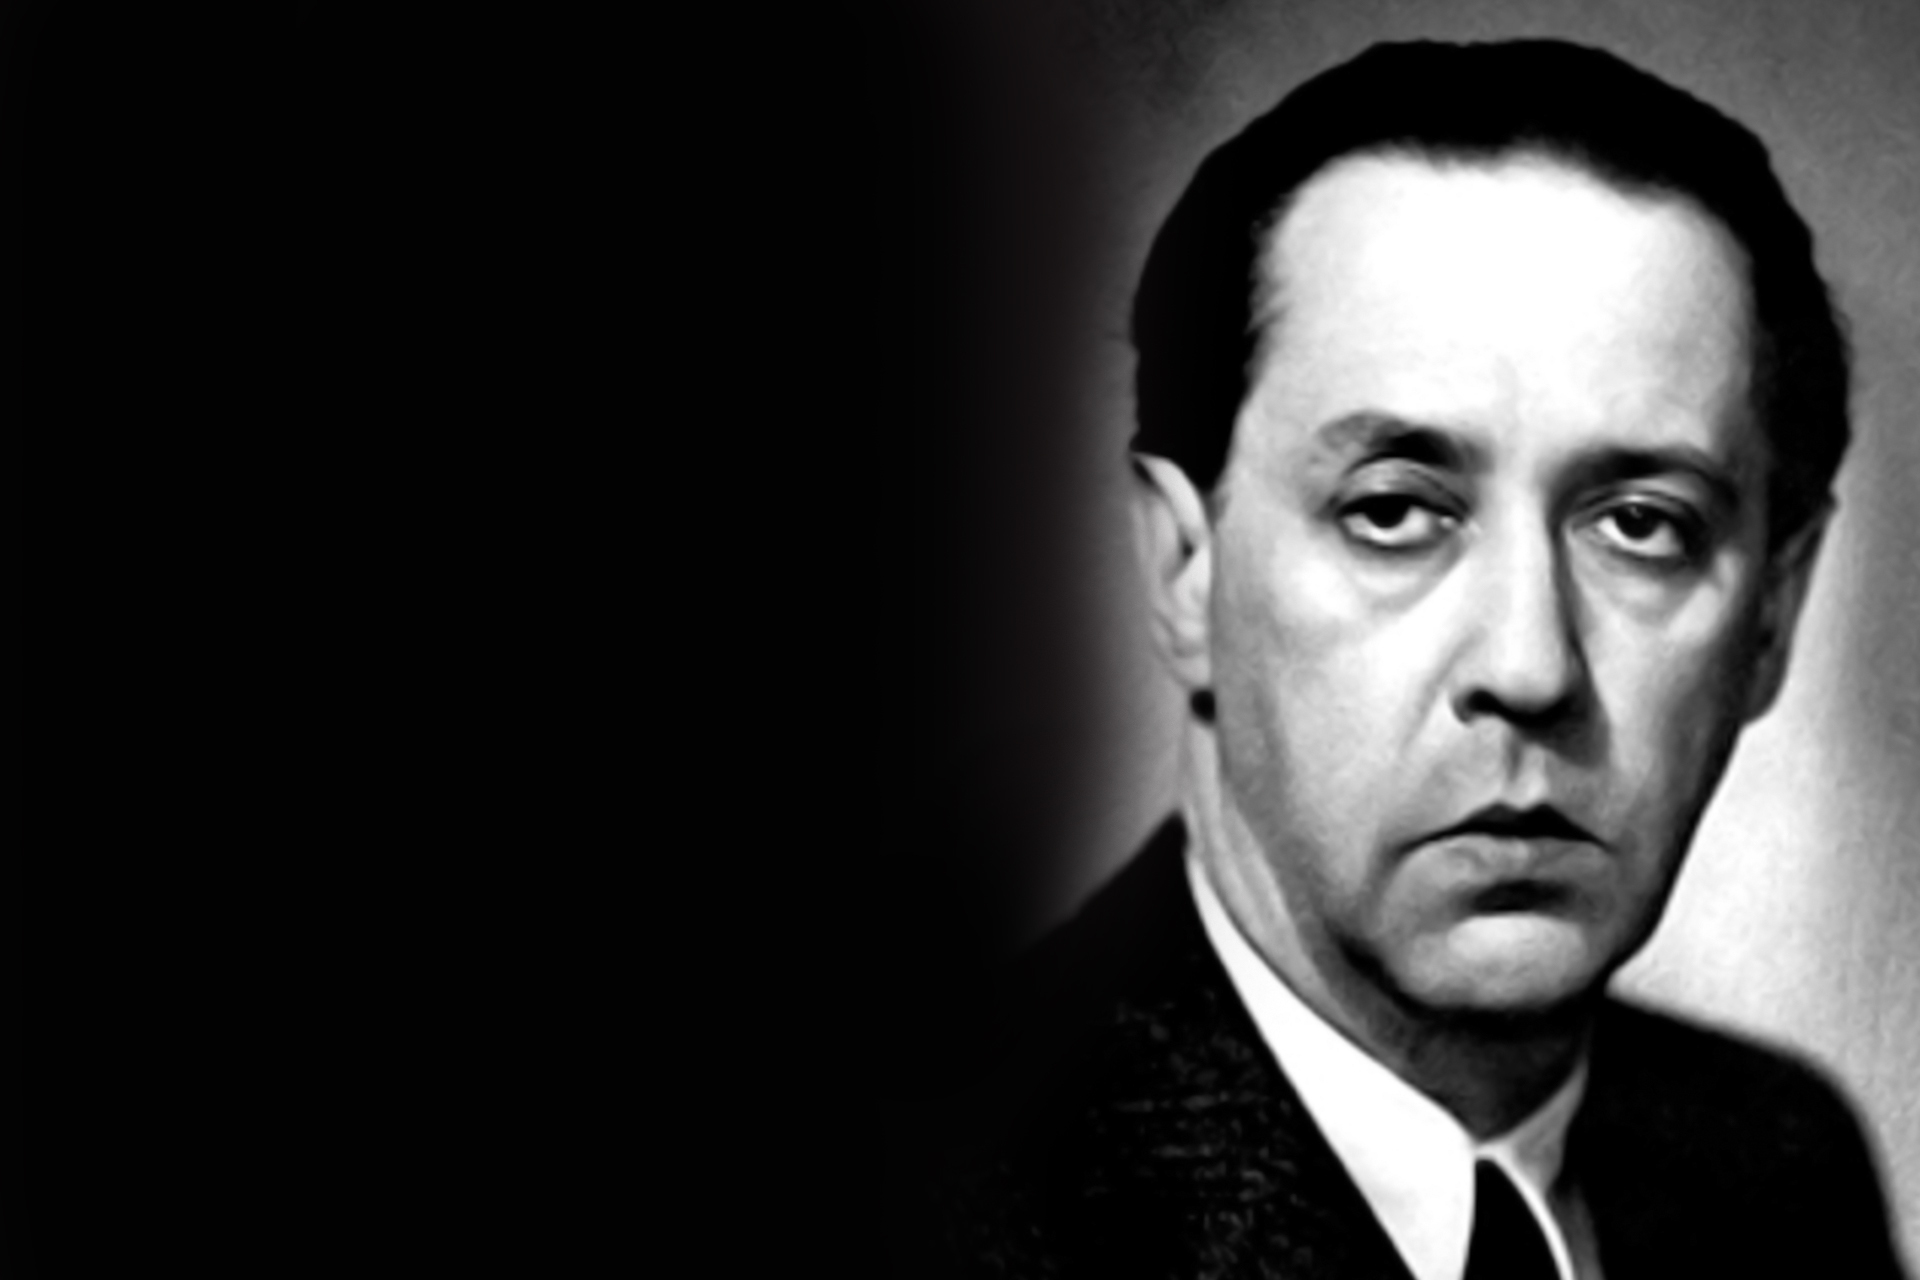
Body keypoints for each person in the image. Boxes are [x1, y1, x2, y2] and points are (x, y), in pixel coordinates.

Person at [936, 38, 1908, 1280]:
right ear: (1187, 567)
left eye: (1641, 525)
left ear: (1772, 616)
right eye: (1394, 511)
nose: (1530, 665)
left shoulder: (1782, 1171)